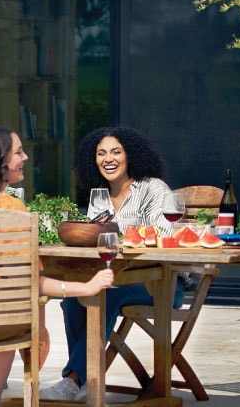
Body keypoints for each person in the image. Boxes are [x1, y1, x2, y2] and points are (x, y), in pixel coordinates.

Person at [0, 126, 113, 407]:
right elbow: (30, 280)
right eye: (18, 152)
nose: (26, 157)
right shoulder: (12, 211)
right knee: (5, 314)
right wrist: (86, 286)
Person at [44, 126, 184, 401]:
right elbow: (99, 245)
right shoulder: (100, 197)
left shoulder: (153, 189)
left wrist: (122, 238)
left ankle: (73, 379)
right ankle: (83, 379)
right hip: (118, 278)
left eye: (116, 152)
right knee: (75, 295)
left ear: (129, 156)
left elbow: (163, 237)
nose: (108, 159)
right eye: (101, 153)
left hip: (161, 284)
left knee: (104, 293)